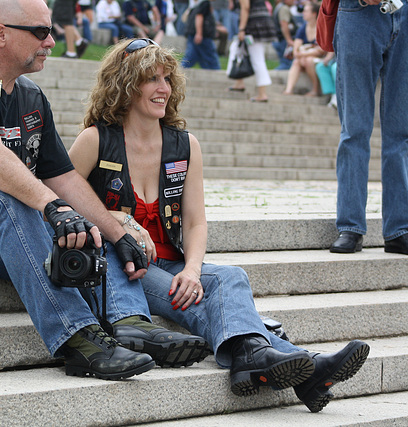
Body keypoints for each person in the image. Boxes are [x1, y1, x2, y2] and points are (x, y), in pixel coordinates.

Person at [0, 0, 211, 381]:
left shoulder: (30, 96)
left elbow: (65, 178)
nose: (51, 41)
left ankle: (133, 325)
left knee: (93, 224)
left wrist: (117, 234)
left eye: (50, 31)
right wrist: (54, 208)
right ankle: (81, 342)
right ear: (0, 34)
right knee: (12, 205)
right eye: (40, 32)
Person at [69, 38, 370, 411]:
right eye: (152, 79)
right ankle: (303, 365)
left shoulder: (184, 144)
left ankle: (269, 363)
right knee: (203, 306)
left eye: (167, 78)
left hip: (175, 262)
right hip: (128, 268)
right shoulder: (95, 140)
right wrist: (117, 216)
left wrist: (194, 269)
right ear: (126, 85)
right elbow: (63, 202)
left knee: (230, 277)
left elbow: (195, 221)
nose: (164, 89)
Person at [329, 0, 408, 255]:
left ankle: (399, 229)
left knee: (402, 133)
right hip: (359, 12)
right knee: (354, 129)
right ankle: (350, 226)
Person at [227, 0, 277, 102]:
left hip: (253, 26)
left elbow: (245, 8)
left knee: (257, 58)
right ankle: (239, 82)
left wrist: (241, 29)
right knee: (235, 48)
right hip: (257, 23)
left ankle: (262, 93)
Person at [282, 2, 325, 96]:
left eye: (306, 11)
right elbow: (296, 48)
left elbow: (322, 50)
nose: (303, 13)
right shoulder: (303, 28)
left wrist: (303, 54)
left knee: (308, 60)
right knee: (297, 62)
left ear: (314, 14)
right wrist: (300, 54)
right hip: (305, 57)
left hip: (317, 58)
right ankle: (289, 89)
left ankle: (315, 89)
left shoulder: (321, 27)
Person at [181, 0, 221, 69]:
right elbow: (199, 16)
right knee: (211, 59)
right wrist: (199, 33)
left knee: (192, 57)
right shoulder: (204, 3)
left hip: (193, 34)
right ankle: (219, 76)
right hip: (202, 36)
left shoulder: (196, 4)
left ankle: (180, 70)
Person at [271, 0, 297, 70]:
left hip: (278, 39)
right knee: (287, 65)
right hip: (283, 40)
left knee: (285, 63)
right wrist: (289, 40)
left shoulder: (278, 7)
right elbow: (284, 24)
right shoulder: (284, 8)